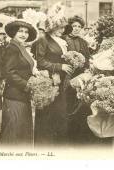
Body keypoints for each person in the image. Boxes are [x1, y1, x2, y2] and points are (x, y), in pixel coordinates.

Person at [31, 4, 73, 147]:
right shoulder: (43, 39)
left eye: (63, 27)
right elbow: (40, 61)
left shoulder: (63, 41)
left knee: (60, 114)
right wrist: (59, 67)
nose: (63, 30)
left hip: (61, 82)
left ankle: (59, 146)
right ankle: (45, 145)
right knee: (48, 114)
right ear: (53, 27)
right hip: (49, 82)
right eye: (60, 27)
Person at [0, 20, 37, 147]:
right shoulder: (12, 48)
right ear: (14, 32)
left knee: (21, 132)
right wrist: (27, 85)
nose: (23, 34)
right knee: (13, 132)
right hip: (14, 97)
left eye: (26, 32)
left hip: (22, 96)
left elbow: (25, 69)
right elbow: (9, 73)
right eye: (20, 31)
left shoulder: (21, 46)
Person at [63, 16, 93, 145]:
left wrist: (86, 71)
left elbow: (87, 59)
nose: (76, 29)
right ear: (69, 26)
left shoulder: (83, 42)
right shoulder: (63, 40)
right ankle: (67, 135)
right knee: (66, 103)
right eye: (74, 26)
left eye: (79, 27)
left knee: (80, 104)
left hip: (80, 77)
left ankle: (77, 135)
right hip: (66, 76)